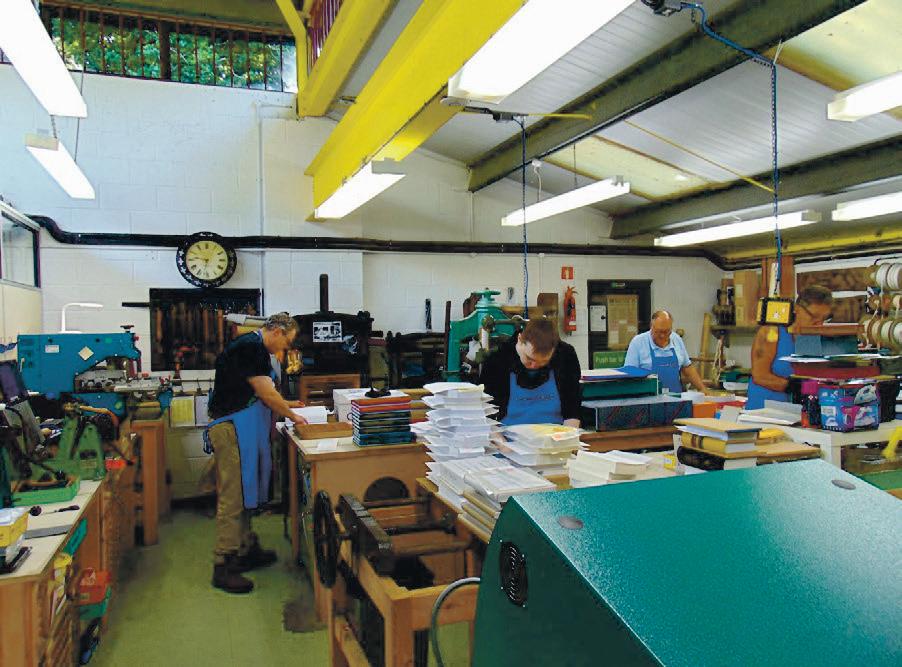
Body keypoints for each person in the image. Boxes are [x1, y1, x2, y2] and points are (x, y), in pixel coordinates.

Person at [205, 313, 308, 594]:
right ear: (276, 331)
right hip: (231, 429)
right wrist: (293, 416)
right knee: (234, 495)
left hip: (243, 428)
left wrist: (287, 405)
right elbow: (264, 392)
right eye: (286, 342)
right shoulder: (251, 347)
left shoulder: (255, 348)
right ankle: (223, 564)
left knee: (247, 487)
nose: (285, 348)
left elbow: (255, 391)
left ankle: (246, 548)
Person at [479, 318, 581, 427]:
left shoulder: (565, 356)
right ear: (520, 339)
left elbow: (572, 409)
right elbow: (487, 415)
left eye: (543, 362)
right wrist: (499, 438)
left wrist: (568, 435)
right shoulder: (497, 360)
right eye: (529, 358)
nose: (534, 366)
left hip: (556, 434)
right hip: (507, 435)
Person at [746, 285, 834, 410]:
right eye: (814, 317)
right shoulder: (771, 332)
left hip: (796, 412)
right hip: (763, 411)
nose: (819, 324)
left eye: (824, 319)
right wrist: (795, 387)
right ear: (797, 309)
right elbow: (760, 376)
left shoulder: (813, 337)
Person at [624, 310, 707, 393]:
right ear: (651, 327)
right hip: (648, 398)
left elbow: (687, 367)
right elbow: (629, 373)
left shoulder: (676, 339)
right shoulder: (638, 342)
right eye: (659, 331)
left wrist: (702, 388)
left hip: (675, 398)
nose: (662, 335)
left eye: (666, 332)